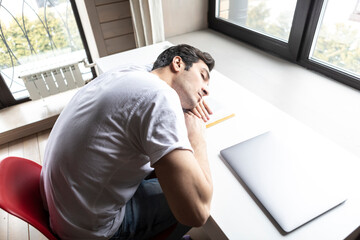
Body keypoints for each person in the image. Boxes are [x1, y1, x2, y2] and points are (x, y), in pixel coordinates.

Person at [40, 44, 215, 240]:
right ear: (178, 63)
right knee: (195, 199)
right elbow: (197, 213)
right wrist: (197, 139)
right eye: (203, 76)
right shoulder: (161, 97)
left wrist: (185, 102)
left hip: (63, 207)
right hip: (89, 230)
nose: (206, 91)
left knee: (163, 170)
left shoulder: (128, 72)